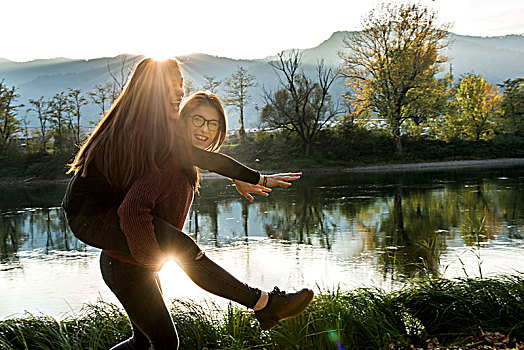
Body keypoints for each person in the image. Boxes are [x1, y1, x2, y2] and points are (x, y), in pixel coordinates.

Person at [62, 58, 313, 350]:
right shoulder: (147, 130)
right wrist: (151, 260)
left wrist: (247, 177)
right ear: (150, 91)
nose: (179, 92)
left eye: (181, 85)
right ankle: (264, 303)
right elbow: (133, 209)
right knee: (180, 254)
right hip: (89, 217)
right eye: (170, 86)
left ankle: (265, 304)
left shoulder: (157, 129)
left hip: (105, 224)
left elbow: (203, 157)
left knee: (144, 342)